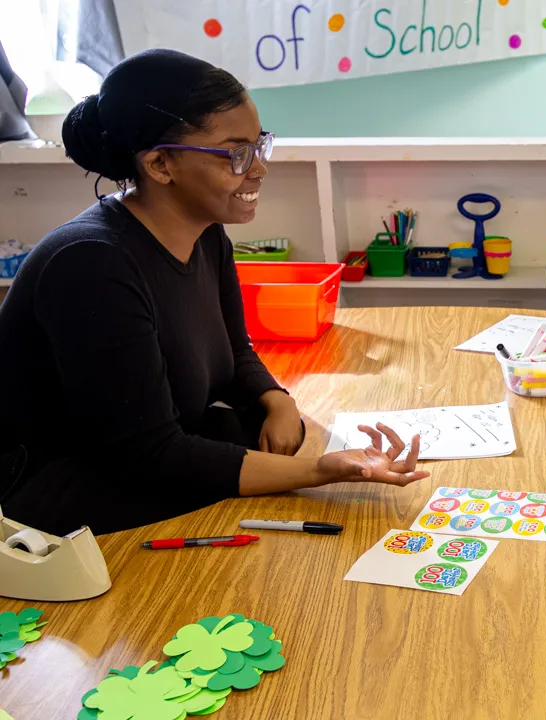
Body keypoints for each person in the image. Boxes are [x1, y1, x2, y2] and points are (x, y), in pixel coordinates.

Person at [0, 49, 427, 536]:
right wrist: (322, 471)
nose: (260, 170)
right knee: (270, 470)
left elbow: (233, 350)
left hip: (150, 446)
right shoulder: (90, 264)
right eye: (236, 154)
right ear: (161, 164)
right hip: (55, 489)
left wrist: (277, 399)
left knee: (273, 431)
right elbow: (148, 454)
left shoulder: (206, 234)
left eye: (260, 146)